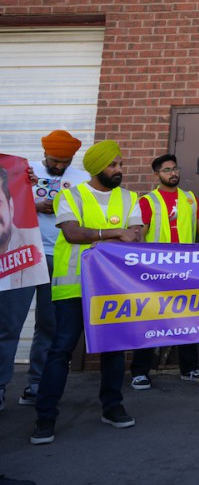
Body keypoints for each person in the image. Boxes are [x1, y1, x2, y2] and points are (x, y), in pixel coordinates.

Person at [30, 140, 143, 445]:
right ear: (96, 167)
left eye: (120, 164)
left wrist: (106, 236)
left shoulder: (130, 198)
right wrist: (114, 233)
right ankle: (45, 417)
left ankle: (113, 406)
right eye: (113, 164)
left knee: (114, 349)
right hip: (74, 287)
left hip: (112, 288)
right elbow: (72, 233)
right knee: (61, 349)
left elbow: (136, 237)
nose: (119, 170)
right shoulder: (71, 196)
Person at [1, 131, 88, 412]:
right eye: (55, 160)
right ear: (44, 153)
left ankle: (36, 385)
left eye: (66, 161)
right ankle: (0, 387)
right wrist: (32, 204)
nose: (60, 166)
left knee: (49, 326)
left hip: (61, 258)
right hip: (25, 254)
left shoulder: (81, 179)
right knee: (8, 325)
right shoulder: (22, 172)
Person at [130, 154, 199, 391]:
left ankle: (189, 369)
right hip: (156, 271)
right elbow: (140, 235)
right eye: (167, 170)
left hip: (185, 269)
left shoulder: (189, 199)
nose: (173, 173)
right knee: (149, 319)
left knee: (186, 319)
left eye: (175, 168)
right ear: (156, 175)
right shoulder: (148, 201)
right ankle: (139, 372)